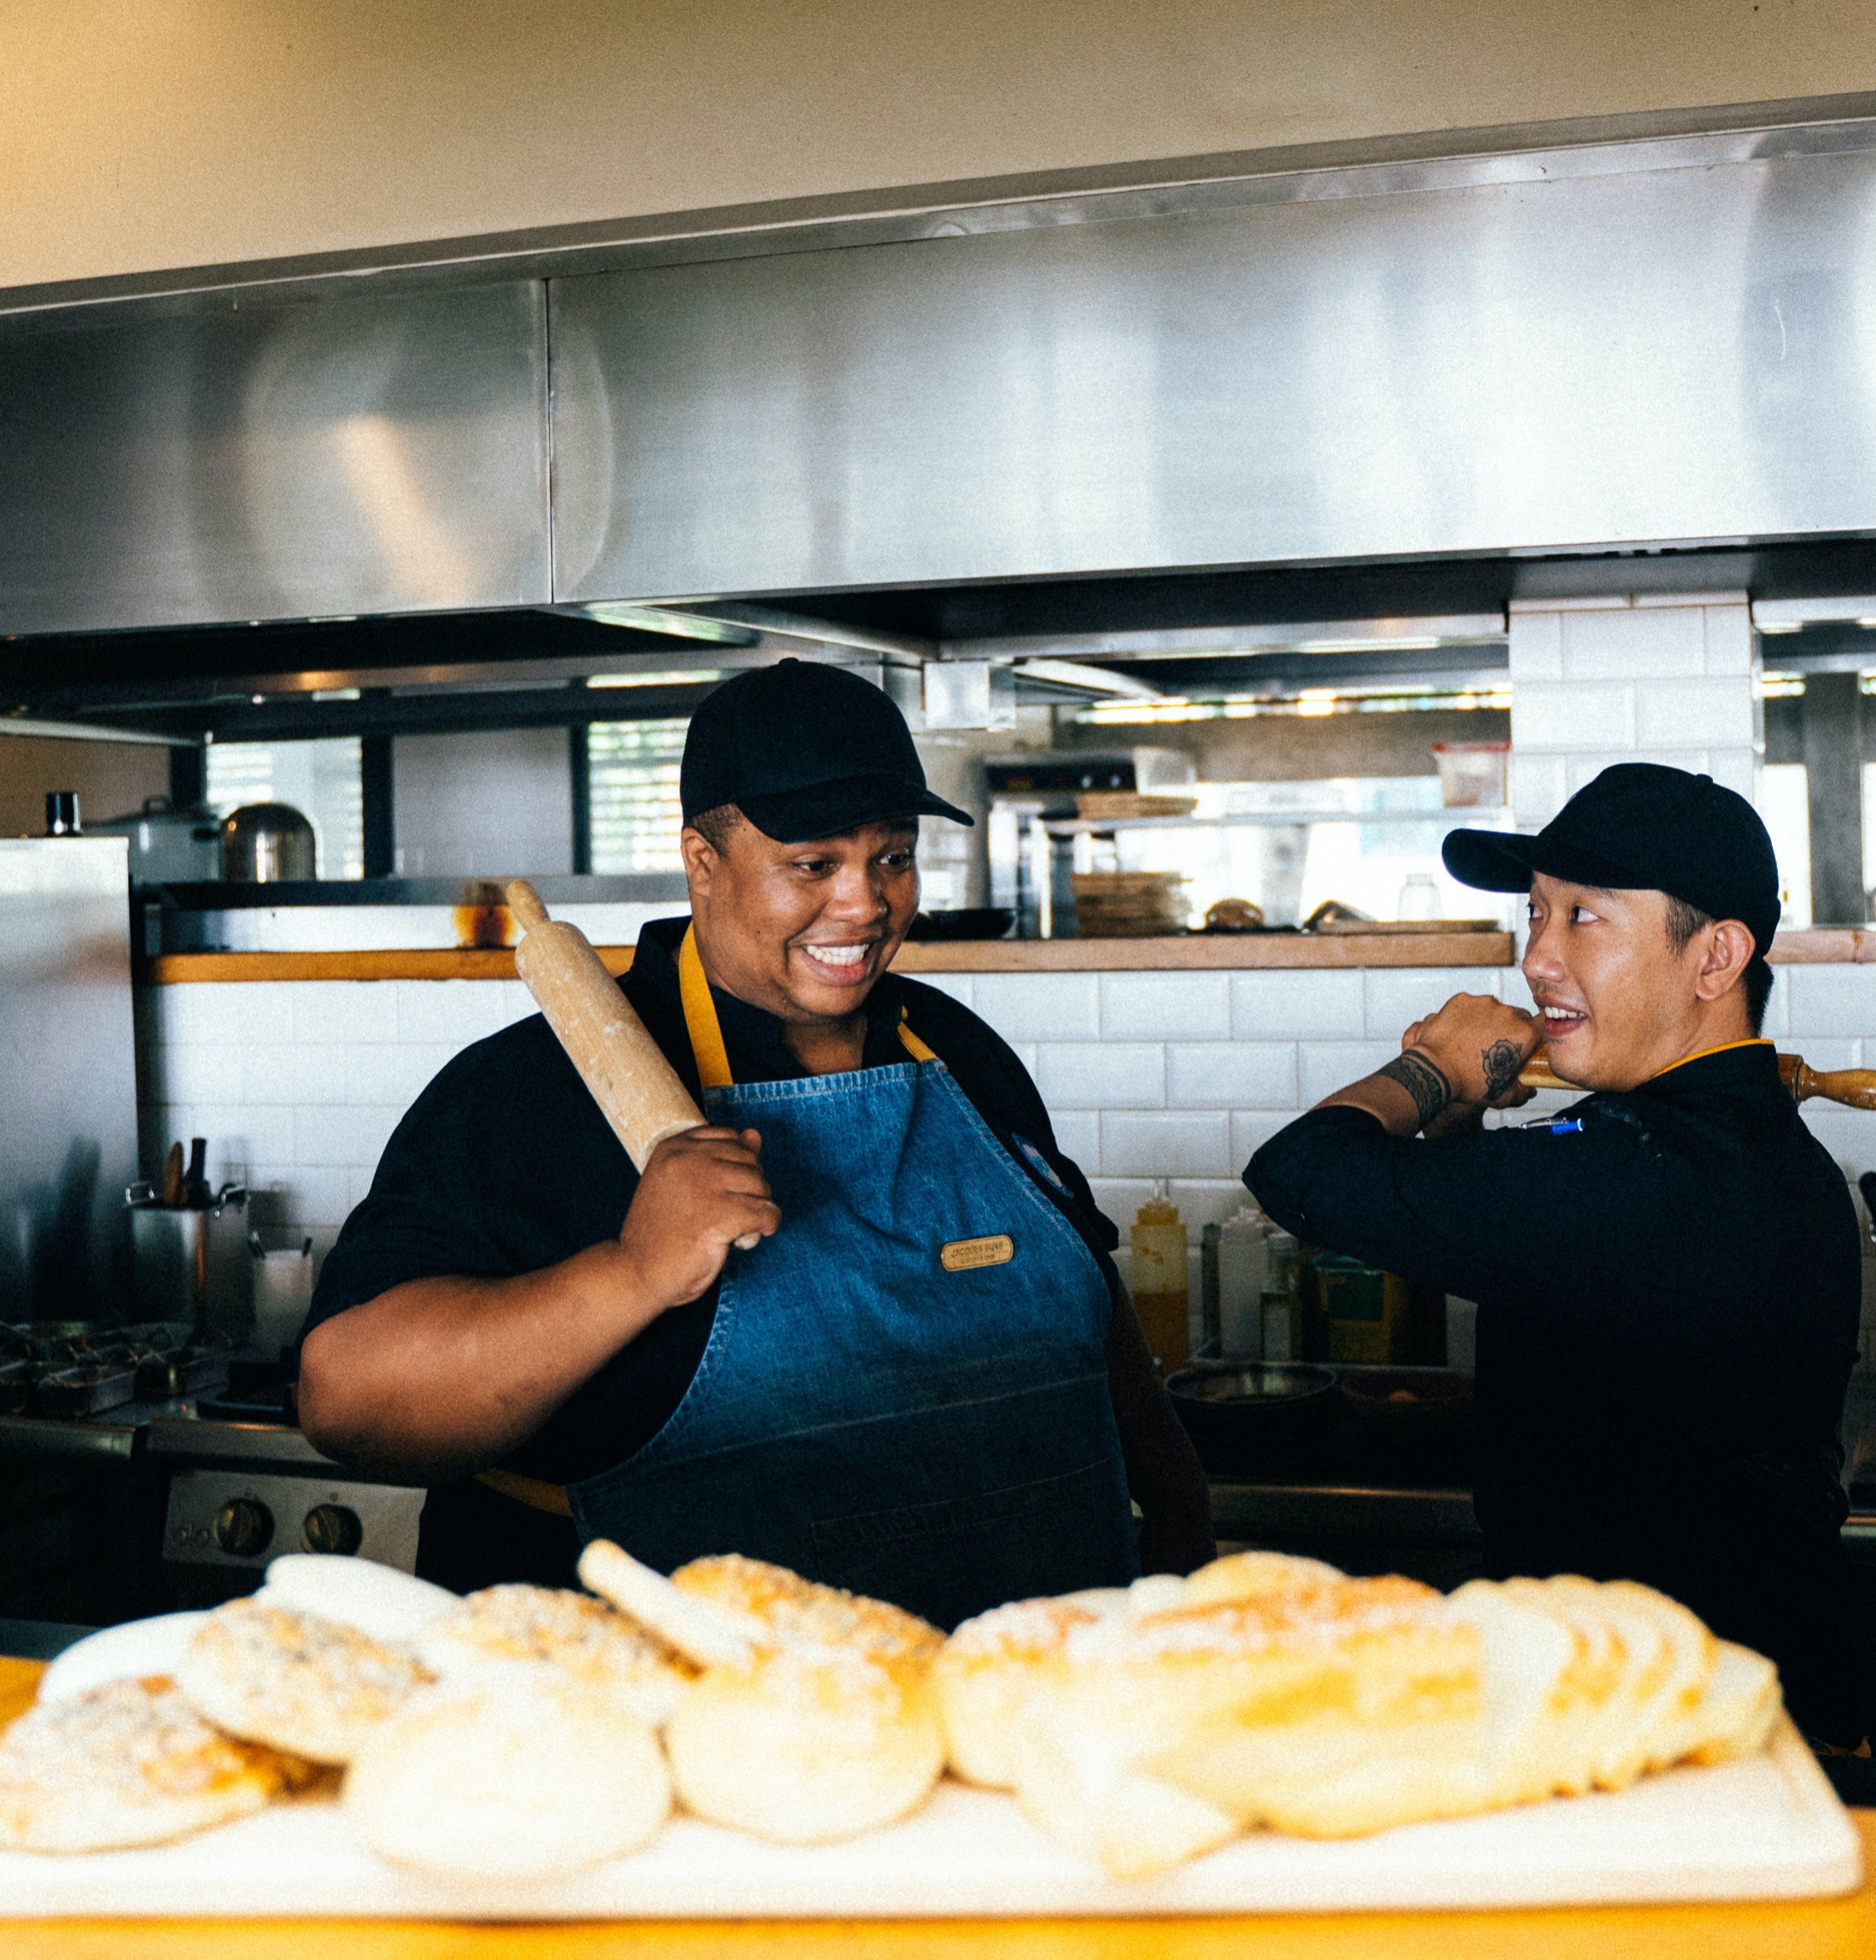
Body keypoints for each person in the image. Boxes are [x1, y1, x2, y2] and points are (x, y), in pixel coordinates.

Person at [299, 659, 1212, 1625]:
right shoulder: (534, 1090)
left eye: (892, 856)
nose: (866, 903)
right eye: (813, 864)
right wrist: (631, 1271)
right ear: (702, 860)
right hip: (672, 1718)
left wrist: (1182, 1513)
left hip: (1004, 1697)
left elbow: (1087, 1311)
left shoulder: (956, 1052)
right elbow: (347, 1400)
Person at [1244, 763, 1864, 1745]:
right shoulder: (1725, 1144)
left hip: (1674, 1731)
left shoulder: (1642, 1170)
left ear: (1715, 957)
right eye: (1535, 912)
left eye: (1585, 917)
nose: (1537, 956)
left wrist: (1428, 1067)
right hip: (1693, 1691)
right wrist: (1455, 1111)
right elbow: (1483, 1230)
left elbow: (1297, 1170)